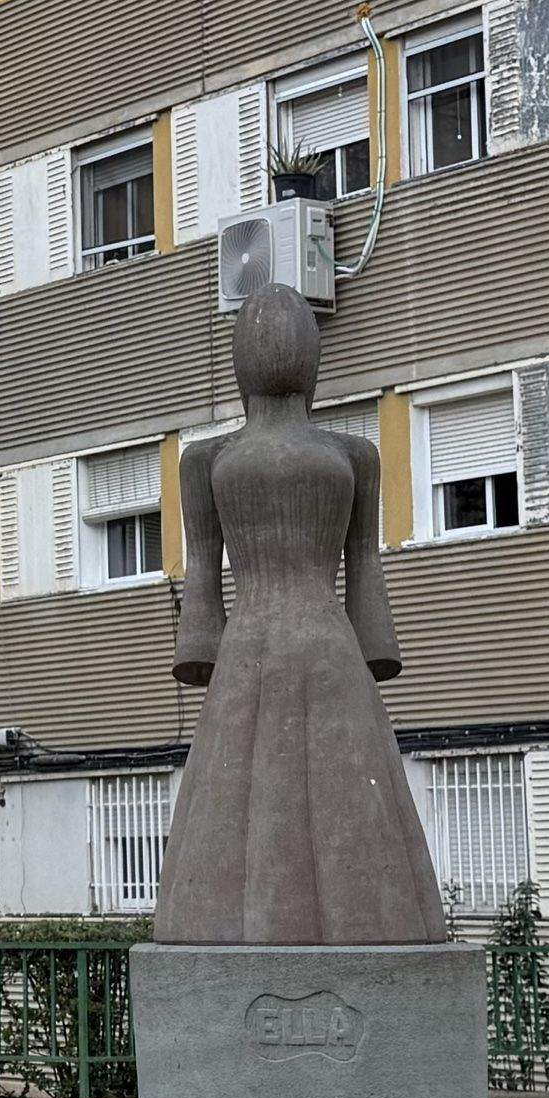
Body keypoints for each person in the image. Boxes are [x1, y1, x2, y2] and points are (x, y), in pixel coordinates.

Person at [153, 284, 447, 946]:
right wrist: (373, 656)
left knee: (243, 799)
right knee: (347, 790)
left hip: (255, 644)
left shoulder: (218, 458)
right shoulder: (345, 456)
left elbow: (203, 587)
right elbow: (364, 575)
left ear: (238, 362)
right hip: (327, 643)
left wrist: (202, 651)